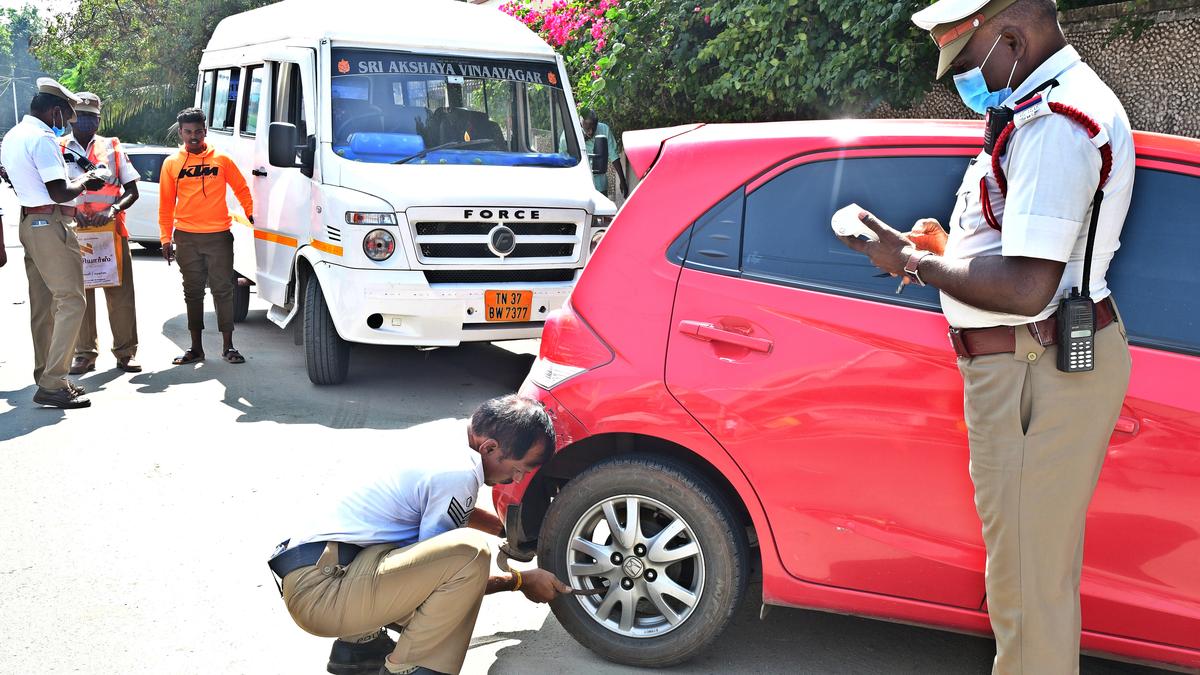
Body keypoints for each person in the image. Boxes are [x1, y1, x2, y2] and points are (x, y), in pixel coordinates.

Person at [836, 1, 1134, 672]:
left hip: (1035, 364)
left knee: (1028, 595)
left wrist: (910, 261)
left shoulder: (1058, 123)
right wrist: (948, 250)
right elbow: (1018, 248)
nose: (963, 82)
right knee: (1025, 584)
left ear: (1010, 39)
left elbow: (1029, 286)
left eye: (968, 64)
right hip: (1031, 358)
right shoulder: (1040, 107)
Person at [269, 395, 571, 675]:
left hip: (316, 569)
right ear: (489, 448)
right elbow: (443, 577)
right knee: (470, 555)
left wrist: (502, 528)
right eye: (520, 469)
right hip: (322, 594)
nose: (517, 479)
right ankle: (411, 667)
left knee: (418, 546)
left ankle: (360, 648)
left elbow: (432, 512)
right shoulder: (459, 474)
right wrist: (519, 581)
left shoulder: (443, 438)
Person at [1, 78, 107, 409]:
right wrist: (88, 179)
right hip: (50, 224)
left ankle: (44, 374)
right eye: (65, 114)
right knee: (73, 301)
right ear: (53, 111)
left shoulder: (14, 135)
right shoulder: (42, 138)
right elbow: (60, 192)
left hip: (29, 222)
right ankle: (52, 381)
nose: (68, 122)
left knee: (43, 305)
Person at [158, 107, 254, 365]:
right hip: (186, 237)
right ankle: (196, 348)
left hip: (218, 236)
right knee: (193, 292)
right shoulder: (171, 163)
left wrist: (251, 212)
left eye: (198, 132)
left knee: (223, 290)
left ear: (205, 131)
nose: (193, 137)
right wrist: (166, 238)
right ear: (180, 133)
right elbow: (166, 204)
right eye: (188, 132)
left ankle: (228, 346)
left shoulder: (221, 159)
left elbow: (241, 187)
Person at [62, 92, 142, 375]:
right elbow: (54, 190)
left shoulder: (113, 148)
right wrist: (73, 212)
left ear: (99, 119)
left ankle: (125, 353)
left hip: (111, 231)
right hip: (74, 232)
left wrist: (113, 210)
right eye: (80, 116)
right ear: (71, 118)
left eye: (92, 118)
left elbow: (132, 190)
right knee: (80, 295)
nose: (86, 123)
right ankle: (84, 354)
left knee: (120, 295)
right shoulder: (59, 148)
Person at [580, 109, 626, 199]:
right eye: (588, 128)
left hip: (600, 183)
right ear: (581, 123)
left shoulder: (604, 129)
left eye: (593, 128)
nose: (590, 131)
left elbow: (613, 155)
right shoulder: (572, 133)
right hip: (581, 184)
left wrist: (622, 179)